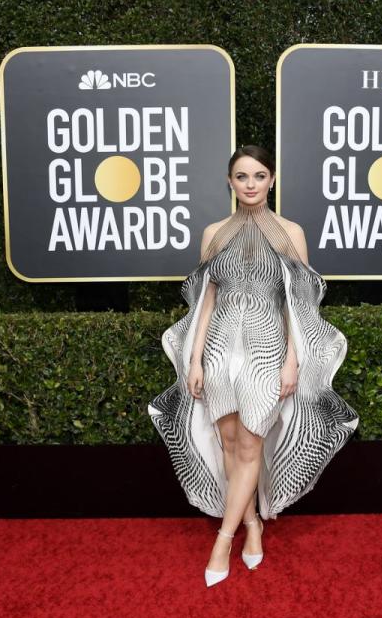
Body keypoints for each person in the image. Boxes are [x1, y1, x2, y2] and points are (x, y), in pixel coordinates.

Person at [147, 145, 359, 587]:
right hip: (221, 346)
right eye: (242, 176)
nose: (250, 184)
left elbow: (297, 306)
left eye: (259, 176)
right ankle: (252, 525)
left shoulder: (289, 233)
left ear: (272, 180)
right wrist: (195, 357)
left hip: (267, 346)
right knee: (227, 441)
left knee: (250, 442)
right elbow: (206, 299)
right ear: (230, 181)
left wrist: (291, 359)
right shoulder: (214, 233)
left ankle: (223, 539)